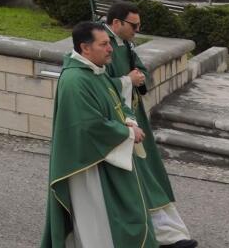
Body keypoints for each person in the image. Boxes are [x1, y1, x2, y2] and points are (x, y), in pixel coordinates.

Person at [41, 22, 157, 248]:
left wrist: (130, 119)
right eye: (104, 44)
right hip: (87, 165)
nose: (110, 48)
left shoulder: (96, 71)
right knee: (97, 223)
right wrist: (128, 132)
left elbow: (117, 101)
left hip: (105, 156)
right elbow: (88, 125)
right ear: (85, 48)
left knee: (116, 217)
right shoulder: (75, 80)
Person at [103, 3, 196, 248]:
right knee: (139, 176)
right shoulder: (104, 46)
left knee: (149, 172)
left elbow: (139, 70)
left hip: (134, 115)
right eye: (134, 25)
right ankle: (161, 234)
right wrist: (126, 80)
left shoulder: (126, 45)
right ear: (116, 24)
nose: (138, 29)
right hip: (118, 121)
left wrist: (138, 77)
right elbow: (94, 84)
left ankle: (168, 232)